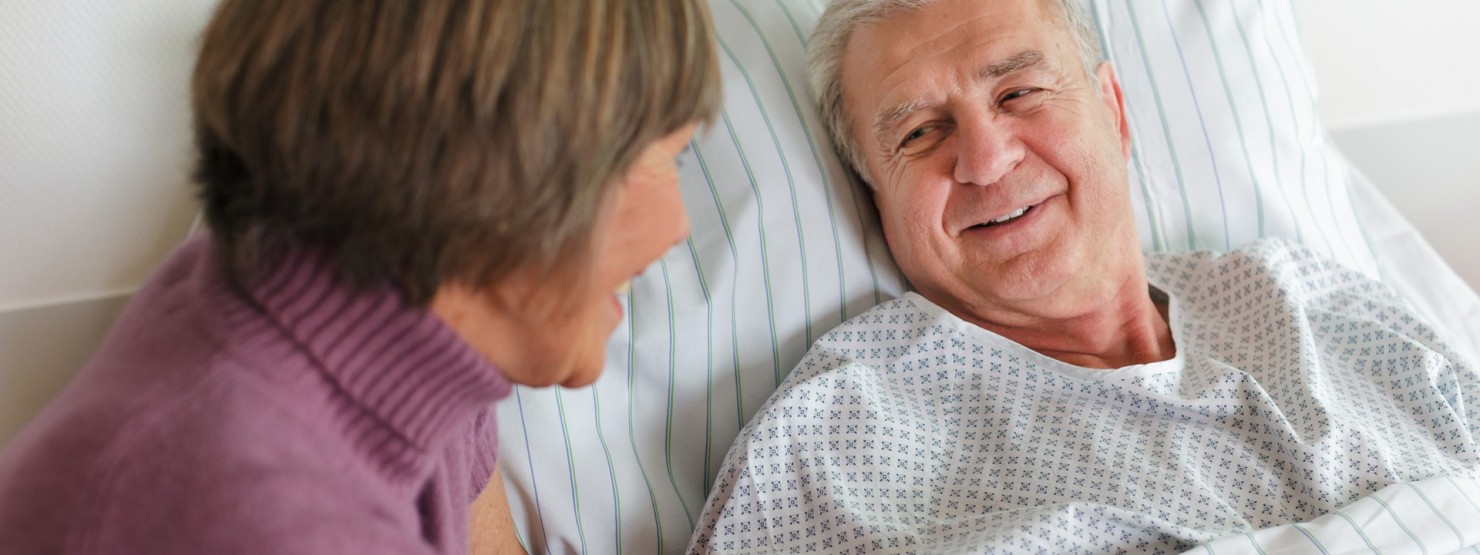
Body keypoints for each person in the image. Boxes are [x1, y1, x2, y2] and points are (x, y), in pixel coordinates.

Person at [687, 0, 1480, 552]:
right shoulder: (833, 441)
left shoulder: (1311, 297)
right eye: (922, 132)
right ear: (877, 201)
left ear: (1116, 111)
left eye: (1019, 91)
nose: (986, 158)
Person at [0, 1, 719, 553]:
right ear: (503, 184)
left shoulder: (372, 324)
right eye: (669, 160)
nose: (682, 225)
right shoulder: (250, 509)